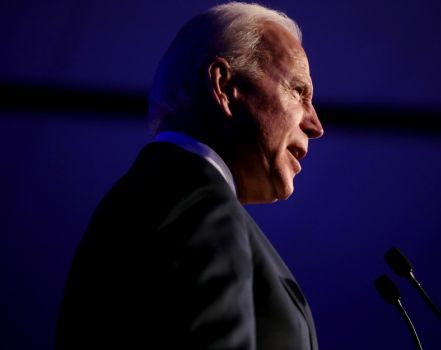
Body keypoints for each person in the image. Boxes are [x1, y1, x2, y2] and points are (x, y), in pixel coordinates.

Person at [55, 2, 323, 350]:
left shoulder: (156, 193)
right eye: (298, 91)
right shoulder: (198, 201)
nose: (315, 125)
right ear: (225, 87)